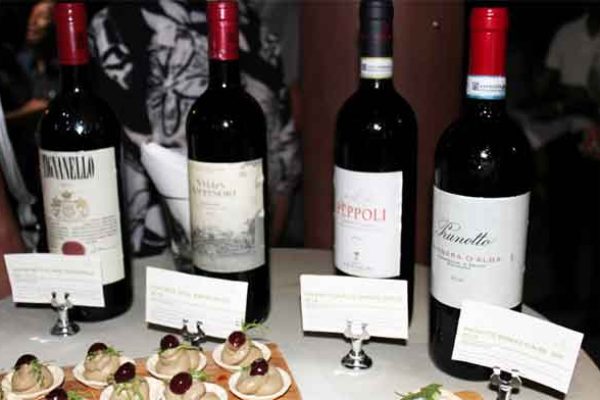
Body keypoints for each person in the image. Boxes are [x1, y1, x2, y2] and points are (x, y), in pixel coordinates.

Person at [88, 0, 302, 257]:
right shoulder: (115, 24)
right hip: (161, 247)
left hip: (213, 245)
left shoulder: (252, 26)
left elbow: (284, 157)